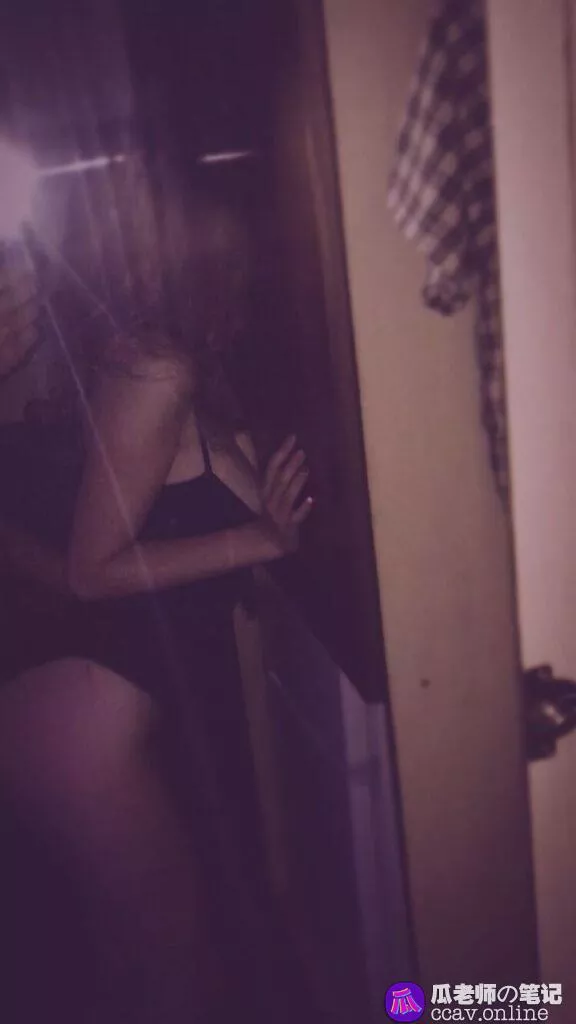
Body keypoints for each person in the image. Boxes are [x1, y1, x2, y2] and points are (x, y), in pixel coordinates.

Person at [0, 147, 313, 1023]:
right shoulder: (154, 368)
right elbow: (90, 571)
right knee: (181, 973)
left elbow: (75, 557)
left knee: (137, 964)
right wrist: (258, 537)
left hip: (70, 713)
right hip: (83, 728)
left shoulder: (158, 362)